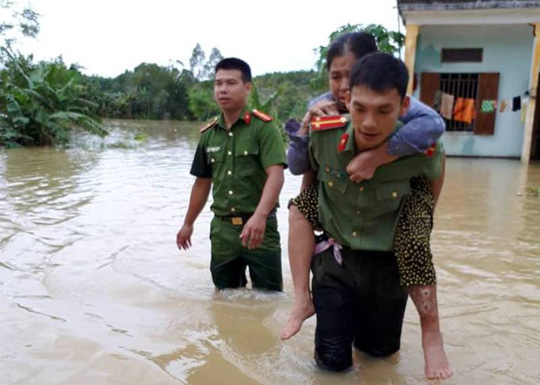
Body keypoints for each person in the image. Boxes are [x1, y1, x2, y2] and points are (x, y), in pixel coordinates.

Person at [281, 32, 452, 379]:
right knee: (330, 362)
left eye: (383, 110)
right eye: (337, 78)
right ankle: (301, 299)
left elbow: (435, 164)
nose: (370, 121)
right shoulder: (323, 123)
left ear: (400, 107)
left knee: (378, 357)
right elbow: (302, 168)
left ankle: (431, 330)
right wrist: (305, 128)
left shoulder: (417, 134)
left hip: (388, 259)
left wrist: (420, 215)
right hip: (336, 251)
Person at [176, 57, 287, 291]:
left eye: (231, 83)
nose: (223, 89)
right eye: (218, 83)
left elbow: (276, 175)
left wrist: (260, 216)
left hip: (260, 229)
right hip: (223, 232)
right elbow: (202, 183)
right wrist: (188, 224)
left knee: (268, 299)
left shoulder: (264, 128)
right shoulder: (209, 134)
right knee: (225, 298)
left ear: (247, 88)